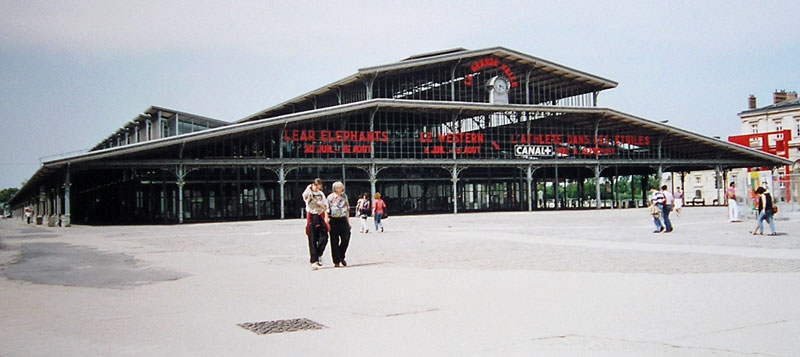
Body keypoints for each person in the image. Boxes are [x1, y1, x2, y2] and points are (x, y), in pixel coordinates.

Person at [302, 178, 329, 270]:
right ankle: (314, 260)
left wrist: (326, 218)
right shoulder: (309, 192)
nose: (317, 188)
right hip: (311, 215)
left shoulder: (321, 194)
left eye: (319, 186)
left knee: (324, 237)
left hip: (320, 215)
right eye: (316, 186)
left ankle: (319, 254)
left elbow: (326, 206)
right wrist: (309, 188)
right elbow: (305, 196)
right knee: (312, 239)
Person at [326, 181, 351, 267]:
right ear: (335, 189)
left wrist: (348, 222)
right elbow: (327, 209)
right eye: (340, 187)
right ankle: (336, 260)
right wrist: (327, 222)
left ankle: (341, 256)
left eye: (342, 187)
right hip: (333, 220)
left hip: (343, 219)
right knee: (334, 241)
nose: (342, 188)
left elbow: (347, 208)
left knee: (346, 238)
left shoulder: (344, 196)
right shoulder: (330, 197)